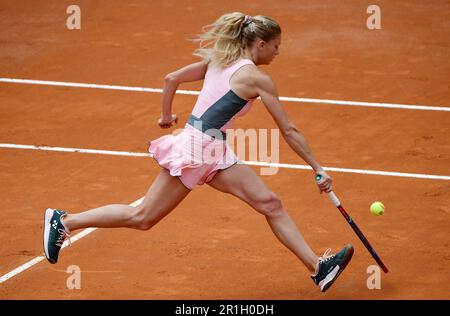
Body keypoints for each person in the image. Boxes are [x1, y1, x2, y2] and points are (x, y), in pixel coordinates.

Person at [43, 12, 353, 293]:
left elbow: (171, 78)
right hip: (197, 151)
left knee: (270, 204)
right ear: (260, 44)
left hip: (214, 149)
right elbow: (289, 130)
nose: (278, 52)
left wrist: (166, 117)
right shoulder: (256, 78)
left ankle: (318, 268)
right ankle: (66, 221)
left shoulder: (220, 60)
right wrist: (317, 167)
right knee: (143, 217)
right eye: (276, 46)